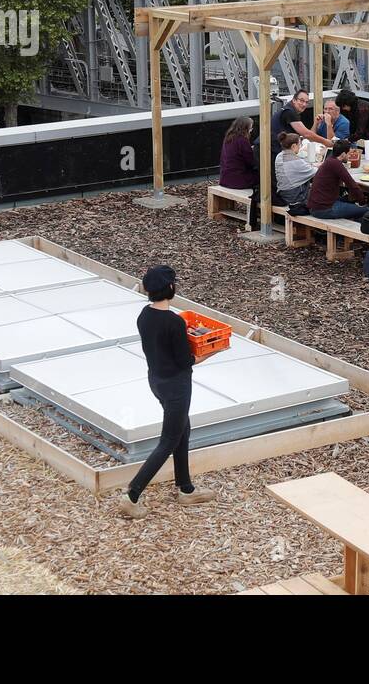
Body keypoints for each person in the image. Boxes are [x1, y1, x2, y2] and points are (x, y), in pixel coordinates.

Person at [116, 266, 217, 519]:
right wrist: (214, 348)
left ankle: (186, 489)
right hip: (176, 386)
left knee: (183, 428)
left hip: (157, 381)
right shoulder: (174, 322)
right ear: (171, 288)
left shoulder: (144, 315)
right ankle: (132, 495)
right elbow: (187, 361)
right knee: (168, 440)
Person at [306, 139, 369, 220]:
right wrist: (362, 202)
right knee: (365, 210)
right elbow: (352, 185)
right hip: (324, 209)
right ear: (343, 154)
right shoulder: (336, 164)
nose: (349, 156)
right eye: (349, 154)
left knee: (350, 203)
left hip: (315, 206)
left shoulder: (329, 160)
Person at [219, 116, 263, 227]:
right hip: (238, 180)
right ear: (246, 128)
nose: (252, 131)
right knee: (265, 177)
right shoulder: (242, 141)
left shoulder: (229, 138)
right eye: (251, 128)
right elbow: (252, 162)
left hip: (225, 178)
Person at [271, 90, 334, 157]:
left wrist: (316, 123)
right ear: (294, 100)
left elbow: (307, 137)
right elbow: (306, 134)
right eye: (301, 100)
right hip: (270, 149)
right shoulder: (289, 112)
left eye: (306, 102)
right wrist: (326, 142)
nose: (304, 104)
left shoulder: (291, 110)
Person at [275, 131, 317, 206]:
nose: (300, 147)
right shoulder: (295, 161)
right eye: (299, 144)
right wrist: (323, 165)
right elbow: (314, 172)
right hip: (294, 196)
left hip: (282, 192)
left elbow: (300, 166)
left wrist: (315, 165)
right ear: (294, 146)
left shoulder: (280, 155)